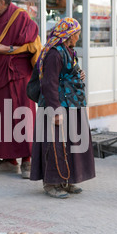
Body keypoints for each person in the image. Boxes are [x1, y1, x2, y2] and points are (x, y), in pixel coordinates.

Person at [30, 18, 95, 199]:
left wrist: (79, 72)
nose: (78, 36)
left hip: (71, 104)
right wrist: (55, 111)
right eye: (77, 33)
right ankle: (52, 183)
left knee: (71, 144)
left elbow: (68, 73)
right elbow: (49, 83)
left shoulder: (68, 51)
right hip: (57, 106)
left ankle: (67, 180)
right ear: (68, 34)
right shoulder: (54, 54)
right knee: (55, 145)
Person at [0, 0, 41, 179]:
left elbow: (31, 44)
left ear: (3, 1)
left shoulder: (20, 17)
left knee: (21, 115)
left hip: (17, 74)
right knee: (1, 116)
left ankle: (28, 161)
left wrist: (5, 50)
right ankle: (8, 160)